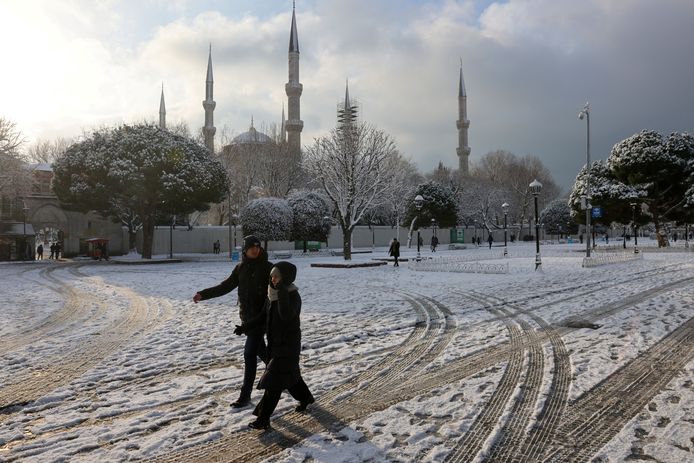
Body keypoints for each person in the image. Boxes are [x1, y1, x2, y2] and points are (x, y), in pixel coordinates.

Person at [193, 235, 274, 408]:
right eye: (252, 247)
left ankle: (245, 396)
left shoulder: (268, 268)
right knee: (266, 356)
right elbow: (225, 286)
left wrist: (265, 315)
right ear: (245, 249)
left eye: (257, 247)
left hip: (261, 320)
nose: (255, 249)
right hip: (247, 318)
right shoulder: (240, 268)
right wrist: (203, 294)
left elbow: (274, 294)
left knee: (249, 354)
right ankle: (290, 380)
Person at [237, 261, 314, 430]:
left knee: (273, 382)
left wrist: (283, 294)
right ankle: (306, 397)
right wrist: (245, 327)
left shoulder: (293, 296)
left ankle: (263, 418)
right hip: (275, 345)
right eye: (272, 276)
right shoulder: (271, 295)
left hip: (288, 345)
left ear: (285, 277)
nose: (273, 279)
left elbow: (286, 316)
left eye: (277, 276)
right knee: (291, 377)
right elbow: (262, 317)